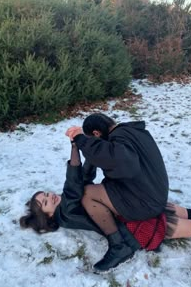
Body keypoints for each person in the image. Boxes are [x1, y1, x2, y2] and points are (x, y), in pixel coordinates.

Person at [20, 143, 191, 273]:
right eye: (46, 202)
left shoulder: (67, 200)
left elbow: (83, 179)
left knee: (183, 211)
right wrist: (75, 147)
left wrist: (90, 148)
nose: (50, 197)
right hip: (133, 228)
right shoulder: (66, 214)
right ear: (47, 216)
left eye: (46, 194)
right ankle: (119, 247)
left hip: (130, 208)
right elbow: (75, 185)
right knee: (190, 226)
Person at [66, 113, 169, 271]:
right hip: (153, 193)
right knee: (102, 188)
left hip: (147, 203)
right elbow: (107, 157)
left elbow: (114, 158)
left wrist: (81, 139)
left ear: (96, 133)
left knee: (88, 195)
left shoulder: (119, 144)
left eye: (93, 139)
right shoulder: (131, 133)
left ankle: (119, 246)